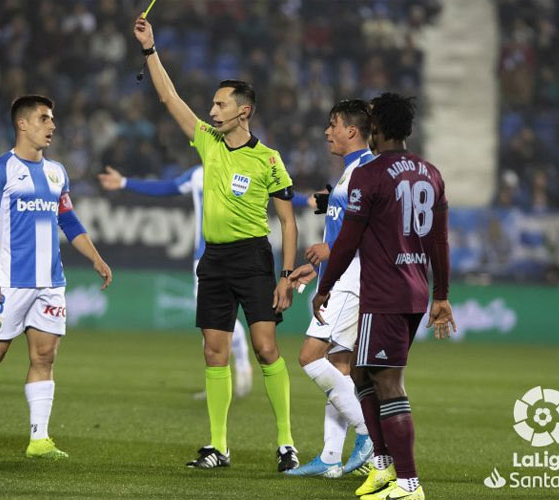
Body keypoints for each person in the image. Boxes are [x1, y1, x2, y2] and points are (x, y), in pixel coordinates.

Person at [133, 16, 300, 471]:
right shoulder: (207, 143)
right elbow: (168, 97)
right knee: (214, 350)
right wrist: (151, 50)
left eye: (221, 105)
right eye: (211, 104)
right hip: (214, 259)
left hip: (253, 258)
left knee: (266, 347)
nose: (212, 111)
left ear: (243, 111)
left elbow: (288, 221)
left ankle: (286, 443)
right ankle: (218, 446)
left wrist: (285, 275)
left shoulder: (269, 159)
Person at [312, 93, 456, 500]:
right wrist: (440, 295)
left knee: (388, 384)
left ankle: (409, 484)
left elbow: (347, 242)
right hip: (413, 290)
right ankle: (382, 464)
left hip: (385, 292)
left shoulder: (371, 174)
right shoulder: (431, 173)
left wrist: (325, 286)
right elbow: (440, 241)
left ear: (375, 129)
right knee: (361, 374)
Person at [0, 95, 112, 459]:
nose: (52, 125)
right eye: (44, 118)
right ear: (22, 124)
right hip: (10, 282)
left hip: (50, 284)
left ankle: (39, 439)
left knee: (45, 357)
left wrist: (96, 258)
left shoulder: (57, 172)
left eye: (52, 119)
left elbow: (69, 221)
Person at [98, 164, 254, 398]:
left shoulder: (243, 168)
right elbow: (167, 188)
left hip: (235, 255)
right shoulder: (198, 174)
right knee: (211, 322)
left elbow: (278, 193)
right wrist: (124, 183)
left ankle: (239, 365)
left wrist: (305, 201)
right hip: (203, 258)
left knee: (216, 319)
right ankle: (228, 376)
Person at [285, 100, 375, 478]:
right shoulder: (349, 172)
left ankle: (370, 433)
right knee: (339, 366)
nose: (327, 131)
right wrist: (319, 262)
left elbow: (374, 233)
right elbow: (337, 222)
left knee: (309, 357)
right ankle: (330, 458)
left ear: (351, 131)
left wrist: (331, 251)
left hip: (351, 282)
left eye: (333, 124)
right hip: (338, 277)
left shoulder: (368, 172)